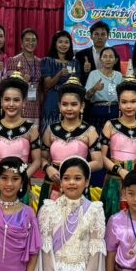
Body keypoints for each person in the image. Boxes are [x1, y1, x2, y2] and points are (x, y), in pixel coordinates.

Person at [32, 156, 106, 271]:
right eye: (66, 178)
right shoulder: (48, 209)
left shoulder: (95, 210)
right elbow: (45, 251)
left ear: (87, 182)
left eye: (77, 178)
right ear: (61, 182)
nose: (72, 182)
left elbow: (96, 252)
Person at [0, 74, 42, 203]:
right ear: (1, 102)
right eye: (7, 99)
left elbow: (37, 161)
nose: (11, 104)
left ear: (24, 103)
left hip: (22, 185)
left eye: (16, 100)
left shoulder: (31, 128)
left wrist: (21, 178)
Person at [39, 77, 101, 206]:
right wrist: (48, 168)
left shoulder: (89, 130)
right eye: (65, 104)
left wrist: (76, 171)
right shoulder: (51, 130)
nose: (69, 108)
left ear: (82, 106)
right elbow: (42, 158)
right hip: (53, 183)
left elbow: (98, 163)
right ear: (59, 106)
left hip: (77, 184)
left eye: (74, 104)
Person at [99, 77, 136, 218]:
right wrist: (120, 170)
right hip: (114, 180)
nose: (128, 106)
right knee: (112, 217)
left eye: (133, 102)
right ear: (119, 104)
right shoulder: (110, 125)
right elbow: (102, 157)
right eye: (124, 102)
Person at [40, 30, 76, 132]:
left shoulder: (74, 62)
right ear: (55, 44)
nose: (63, 45)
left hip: (70, 100)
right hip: (52, 99)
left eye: (66, 42)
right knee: (49, 129)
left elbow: (77, 83)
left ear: (70, 44)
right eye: (60, 42)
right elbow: (47, 85)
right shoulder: (47, 61)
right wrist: (59, 74)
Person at [8, 28, 44, 123]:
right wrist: (23, 81)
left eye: (33, 40)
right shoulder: (14, 61)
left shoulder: (40, 62)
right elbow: (9, 85)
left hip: (35, 104)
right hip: (20, 103)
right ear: (21, 43)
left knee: (34, 130)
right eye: (27, 40)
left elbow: (42, 86)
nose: (30, 43)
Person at [85, 46, 124, 133]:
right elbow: (86, 97)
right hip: (98, 112)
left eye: (111, 57)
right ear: (100, 59)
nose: (108, 59)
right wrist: (94, 89)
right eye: (105, 56)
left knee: (115, 138)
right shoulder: (93, 74)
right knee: (97, 138)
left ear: (116, 60)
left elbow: (123, 96)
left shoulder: (119, 75)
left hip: (115, 112)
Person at [74, 20, 120, 87]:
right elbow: (77, 79)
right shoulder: (80, 55)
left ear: (107, 36)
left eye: (103, 34)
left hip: (109, 91)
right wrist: (86, 72)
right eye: (96, 34)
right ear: (91, 36)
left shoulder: (114, 55)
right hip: (87, 90)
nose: (100, 37)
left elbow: (117, 76)